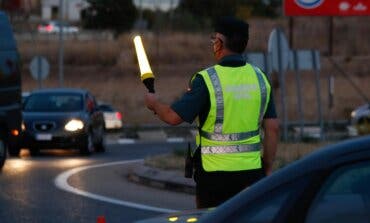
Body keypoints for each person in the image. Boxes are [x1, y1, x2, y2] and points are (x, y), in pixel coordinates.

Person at [144, 16, 279, 209]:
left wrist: (155, 104)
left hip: (213, 176)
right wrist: (266, 167)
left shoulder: (207, 80)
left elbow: (173, 117)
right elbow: (272, 129)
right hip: (252, 173)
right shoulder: (260, 79)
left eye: (213, 39)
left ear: (219, 43)